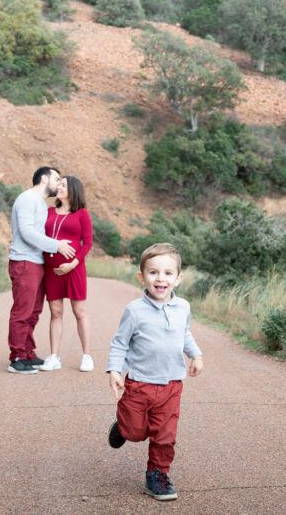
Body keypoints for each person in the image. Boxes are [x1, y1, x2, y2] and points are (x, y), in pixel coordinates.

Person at [105, 243, 204, 502]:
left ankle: (157, 476)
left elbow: (184, 333)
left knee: (165, 435)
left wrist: (196, 354)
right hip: (140, 384)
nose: (161, 278)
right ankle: (123, 427)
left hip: (172, 385)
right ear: (142, 277)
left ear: (178, 279)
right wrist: (115, 370)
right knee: (135, 432)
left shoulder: (183, 307)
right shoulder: (135, 310)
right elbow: (120, 343)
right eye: (153, 272)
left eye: (168, 273)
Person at [7, 166, 75, 374]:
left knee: (34, 312)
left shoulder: (39, 203)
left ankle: (27, 353)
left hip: (36, 262)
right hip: (25, 262)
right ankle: (17, 357)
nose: (59, 183)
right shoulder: (28, 199)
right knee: (23, 311)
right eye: (57, 178)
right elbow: (27, 232)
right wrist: (56, 245)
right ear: (44, 179)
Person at [38, 175, 94, 372]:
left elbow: (87, 243)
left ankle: (86, 356)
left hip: (74, 270)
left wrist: (72, 264)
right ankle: (54, 357)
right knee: (55, 313)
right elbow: (37, 233)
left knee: (79, 312)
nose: (58, 187)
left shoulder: (82, 214)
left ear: (74, 190)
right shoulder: (48, 211)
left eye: (63, 185)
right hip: (51, 270)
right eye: (58, 184)